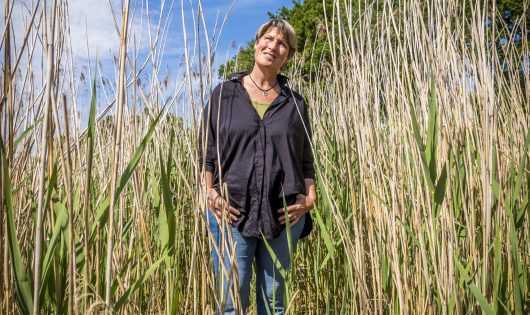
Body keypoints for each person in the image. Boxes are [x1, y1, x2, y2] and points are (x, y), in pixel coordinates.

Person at [200, 19, 317, 315]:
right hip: (231, 211)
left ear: (287, 55)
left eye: (282, 44)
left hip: (284, 215)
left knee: (274, 303)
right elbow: (207, 153)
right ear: (256, 44)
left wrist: (310, 197)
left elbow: (305, 157)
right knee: (230, 303)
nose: (273, 46)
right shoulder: (224, 94)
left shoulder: (295, 103)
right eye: (268, 38)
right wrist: (210, 193)